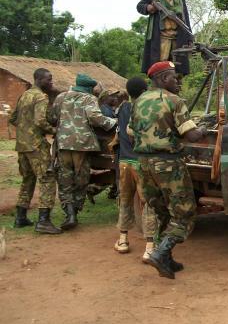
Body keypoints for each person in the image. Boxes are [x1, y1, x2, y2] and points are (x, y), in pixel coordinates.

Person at [129, 61, 205, 279]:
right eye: (174, 77)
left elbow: (132, 132)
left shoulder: (139, 100)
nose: (178, 81)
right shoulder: (174, 101)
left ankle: (167, 259)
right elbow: (191, 136)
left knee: (162, 211)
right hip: (168, 164)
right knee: (185, 213)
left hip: (143, 164)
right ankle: (160, 252)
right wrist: (201, 129)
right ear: (162, 79)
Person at [48, 73, 117, 230]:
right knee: (81, 178)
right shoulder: (89, 99)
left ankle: (69, 213)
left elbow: (52, 118)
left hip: (63, 144)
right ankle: (76, 211)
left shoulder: (61, 97)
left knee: (65, 178)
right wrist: (115, 122)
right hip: (82, 146)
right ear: (89, 88)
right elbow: (96, 118)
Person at [9, 68, 61, 234]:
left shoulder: (24, 95)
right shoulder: (40, 96)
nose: (51, 83)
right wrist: (54, 131)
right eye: (49, 79)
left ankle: (20, 217)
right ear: (39, 79)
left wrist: (25, 130)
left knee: (28, 180)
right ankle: (44, 221)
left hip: (22, 146)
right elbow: (40, 121)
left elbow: (13, 118)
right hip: (36, 146)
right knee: (47, 179)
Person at [112, 77, 158, 262]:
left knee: (125, 200)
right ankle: (149, 248)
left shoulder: (122, 107)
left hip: (124, 162)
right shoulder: (146, 107)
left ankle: (123, 240)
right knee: (147, 203)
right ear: (145, 90)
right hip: (141, 162)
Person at [137, 0, 192, 76]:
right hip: (161, 37)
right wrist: (149, 7)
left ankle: (175, 88)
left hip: (177, 37)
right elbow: (140, 6)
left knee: (177, 67)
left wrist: (189, 37)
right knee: (160, 66)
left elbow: (186, 18)